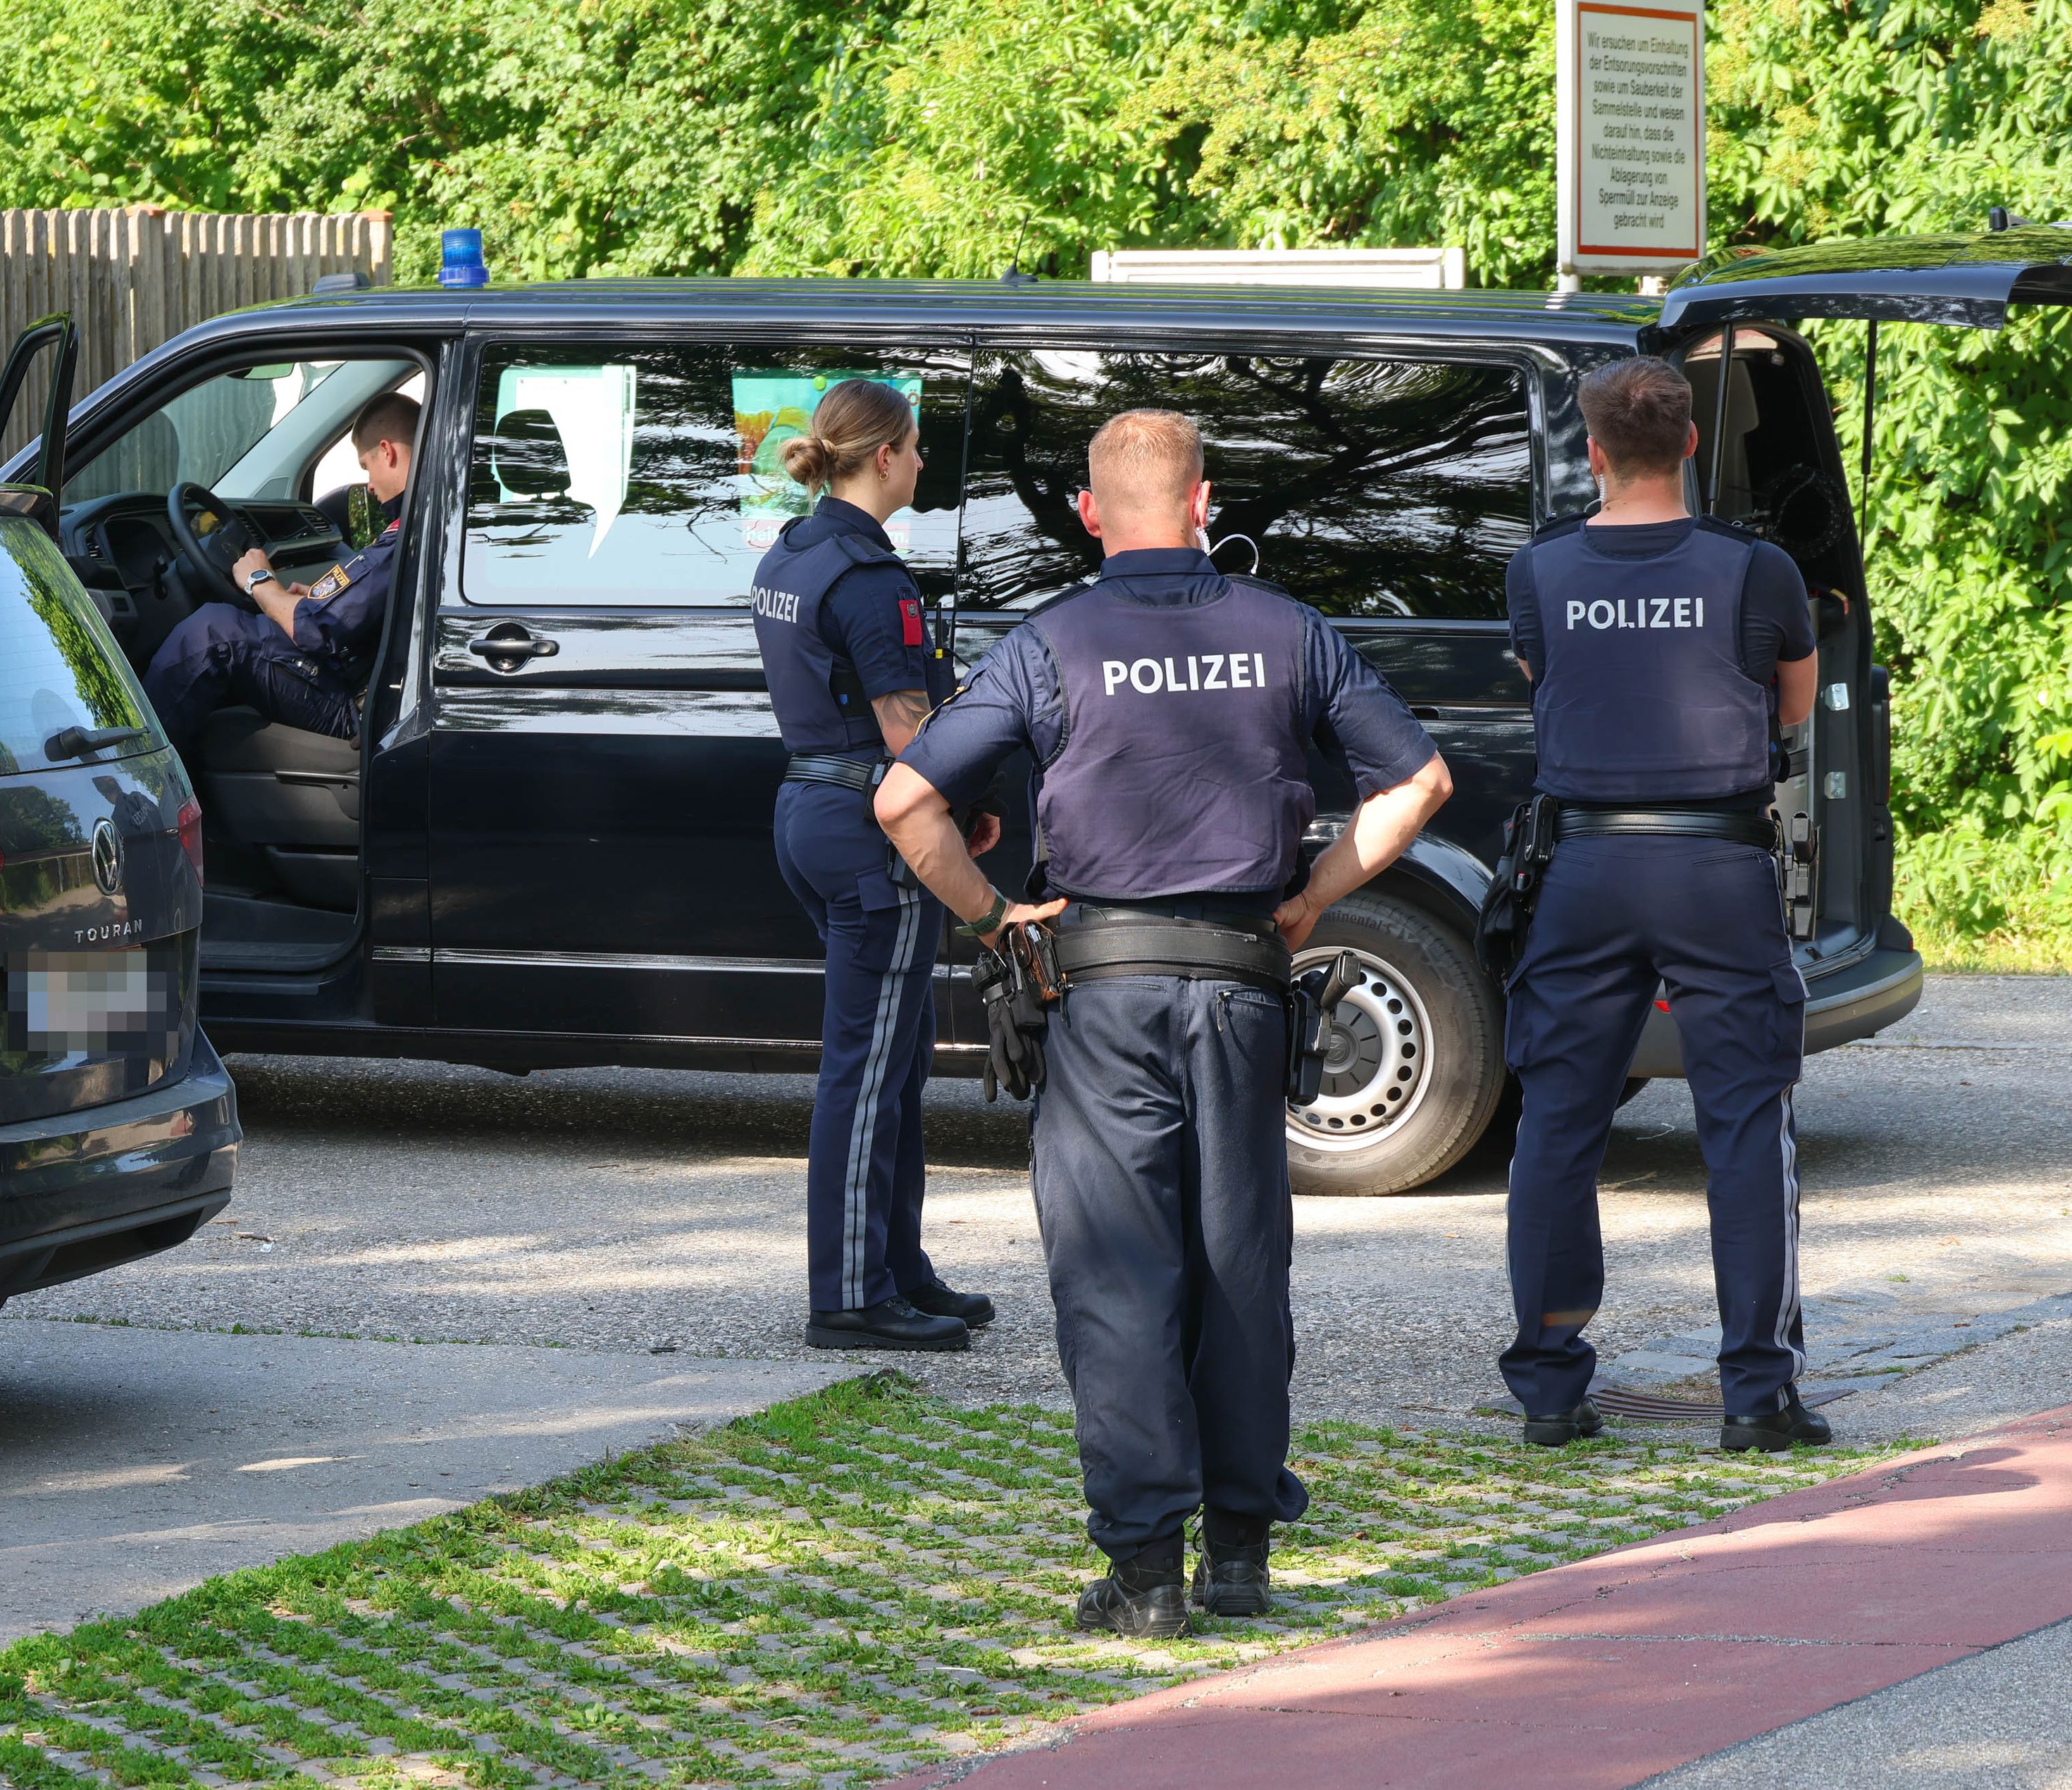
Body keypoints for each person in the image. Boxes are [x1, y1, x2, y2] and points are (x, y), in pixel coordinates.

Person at [876, 409, 1452, 1636]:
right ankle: (1240, 1558)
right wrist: (1309, 898)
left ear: (1091, 516)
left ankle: (1145, 1575)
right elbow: (1420, 781)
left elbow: (905, 799)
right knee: (1241, 1262)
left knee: (1116, 1275)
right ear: (1204, 502)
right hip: (1245, 986)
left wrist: (996, 920)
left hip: (1103, 993)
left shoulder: (1051, 643)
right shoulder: (1286, 631)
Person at [1499, 356, 1825, 1454]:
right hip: (1717, 866)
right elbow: (1792, 701)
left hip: (1587, 868)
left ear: (1592, 451)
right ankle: (1755, 1395)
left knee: (1557, 1123)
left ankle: (1549, 1389)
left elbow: (1550, 688)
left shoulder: (1536, 572)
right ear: (1690, 446)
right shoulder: (1756, 567)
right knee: (1744, 1123)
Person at [752, 379, 1000, 1354]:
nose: (924, 462)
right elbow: (910, 735)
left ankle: (900, 1268)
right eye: (919, 447)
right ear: (886, 455)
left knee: (892, 1058)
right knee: (867, 1071)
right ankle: (853, 1290)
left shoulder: (795, 550)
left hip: (812, 808)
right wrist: (974, 789)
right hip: (869, 828)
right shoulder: (870, 579)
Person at [142, 389, 416, 750]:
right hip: (371, 682)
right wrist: (316, 598)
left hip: (362, 707)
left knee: (215, 633)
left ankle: (133, 774)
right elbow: (367, 602)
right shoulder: (420, 523)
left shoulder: (410, 533)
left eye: (367, 466)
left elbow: (317, 628)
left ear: (387, 451)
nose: (368, 484)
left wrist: (260, 581)